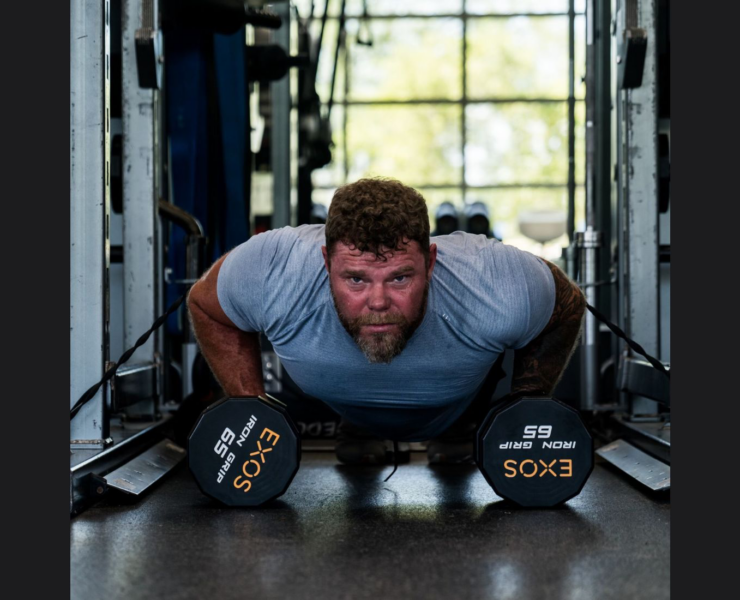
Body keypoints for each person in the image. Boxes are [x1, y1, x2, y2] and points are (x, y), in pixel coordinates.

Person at [187, 178, 586, 464]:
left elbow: (567, 305)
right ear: (325, 262)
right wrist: (252, 414)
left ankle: (458, 425)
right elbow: (206, 305)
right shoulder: (275, 268)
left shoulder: (490, 278)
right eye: (356, 279)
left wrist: (524, 413)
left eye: (400, 277)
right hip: (339, 404)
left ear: (431, 262)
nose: (378, 301)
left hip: (459, 405)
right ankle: (357, 425)